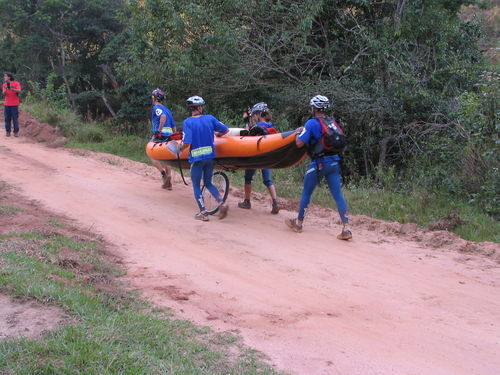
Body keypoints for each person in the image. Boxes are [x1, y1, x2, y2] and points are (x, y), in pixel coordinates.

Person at [285, 95, 352, 240]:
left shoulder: (311, 123)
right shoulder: (332, 122)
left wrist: (299, 132)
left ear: (314, 108)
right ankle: (346, 228)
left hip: (319, 163)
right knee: (338, 195)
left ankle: (299, 223)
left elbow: (299, 143)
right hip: (334, 161)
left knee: (307, 193)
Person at [180, 96, 229, 221]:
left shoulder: (188, 122)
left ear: (191, 108)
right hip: (210, 157)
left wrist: (179, 149)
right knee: (208, 182)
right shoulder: (210, 118)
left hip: (197, 159)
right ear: (200, 107)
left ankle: (203, 212)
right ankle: (221, 203)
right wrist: (218, 134)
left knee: (196, 185)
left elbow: (187, 142)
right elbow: (225, 130)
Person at [238, 102, 280, 214]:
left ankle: (247, 201)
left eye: (255, 114)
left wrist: (246, 121)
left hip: (256, 157)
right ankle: (275, 202)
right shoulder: (270, 126)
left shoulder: (259, 126)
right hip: (267, 156)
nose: (254, 117)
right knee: (267, 180)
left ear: (259, 114)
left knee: (248, 178)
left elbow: (248, 136)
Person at [149, 88, 176, 190]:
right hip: (169, 135)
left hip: (161, 135)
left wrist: (158, 132)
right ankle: (168, 182)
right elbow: (174, 126)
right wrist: (174, 136)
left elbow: (163, 117)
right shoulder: (167, 110)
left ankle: (163, 174)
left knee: (151, 154)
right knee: (166, 156)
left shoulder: (156, 108)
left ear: (155, 98)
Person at [2, 72, 22, 137]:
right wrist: (6, 89)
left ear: (9, 77)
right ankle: (8, 132)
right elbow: (3, 93)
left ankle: (16, 132)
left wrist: (12, 89)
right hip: (7, 104)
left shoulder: (16, 83)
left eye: (5, 76)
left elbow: (19, 90)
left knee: (15, 118)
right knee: (7, 118)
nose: (4, 77)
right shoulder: (4, 85)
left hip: (15, 104)